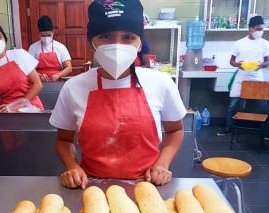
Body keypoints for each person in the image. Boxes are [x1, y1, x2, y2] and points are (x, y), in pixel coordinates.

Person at [50, 0, 187, 189]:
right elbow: (64, 139)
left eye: (128, 37)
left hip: (147, 187)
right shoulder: (73, 87)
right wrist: (72, 166)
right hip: (91, 188)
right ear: (92, 42)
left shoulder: (160, 83)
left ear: (140, 44)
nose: (117, 45)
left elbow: (175, 130)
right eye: (106, 36)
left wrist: (162, 164)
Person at [217, 16, 269, 141]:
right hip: (241, 77)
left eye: (262, 29)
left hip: (257, 78)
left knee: (263, 106)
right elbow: (232, 61)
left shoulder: (264, 44)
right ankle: (229, 128)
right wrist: (239, 64)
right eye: (258, 29)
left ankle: (267, 133)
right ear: (250, 29)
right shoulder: (240, 43)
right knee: (233, 105)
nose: (261, 31)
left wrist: (260, 65)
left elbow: (267, 62)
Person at [28, 15, 72, 81]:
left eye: (49, 35)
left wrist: (58, 75)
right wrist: (39, 75)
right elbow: (28, 68)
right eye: (43, 35)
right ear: (39, 34)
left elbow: (69, 68)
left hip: (57, 81)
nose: (46, 38)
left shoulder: (61, 47)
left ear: (53, 32)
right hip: (38, 83)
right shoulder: (33, 48)